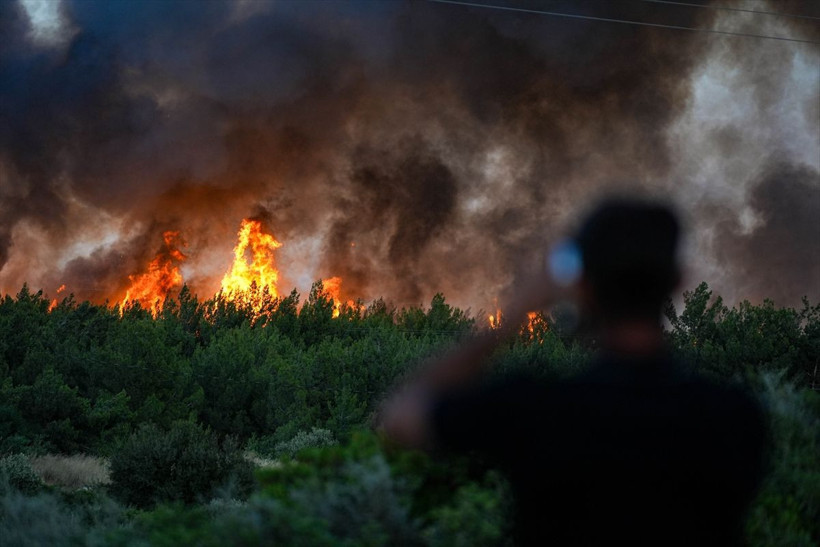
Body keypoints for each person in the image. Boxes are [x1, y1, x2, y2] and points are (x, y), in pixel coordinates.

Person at [379, 198, 767, 546]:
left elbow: (400, 417)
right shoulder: (735, 417)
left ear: (581, 286)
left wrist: (511, 318)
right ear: (679, 280)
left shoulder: (538, 410)